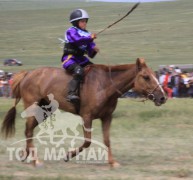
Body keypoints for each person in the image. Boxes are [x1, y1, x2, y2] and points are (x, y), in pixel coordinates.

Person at [61, 9, 99, 103]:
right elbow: (77, 40)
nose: (85, 23)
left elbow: (90, 54)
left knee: (96, 71)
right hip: (70, 59)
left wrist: (94, 50)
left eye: (85, 21)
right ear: (75, 22)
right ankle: (71, 94)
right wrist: (90, 38)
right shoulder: (71, 31)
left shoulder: (87, 34)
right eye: (82, 21)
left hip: (82, 59)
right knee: (79, 71)